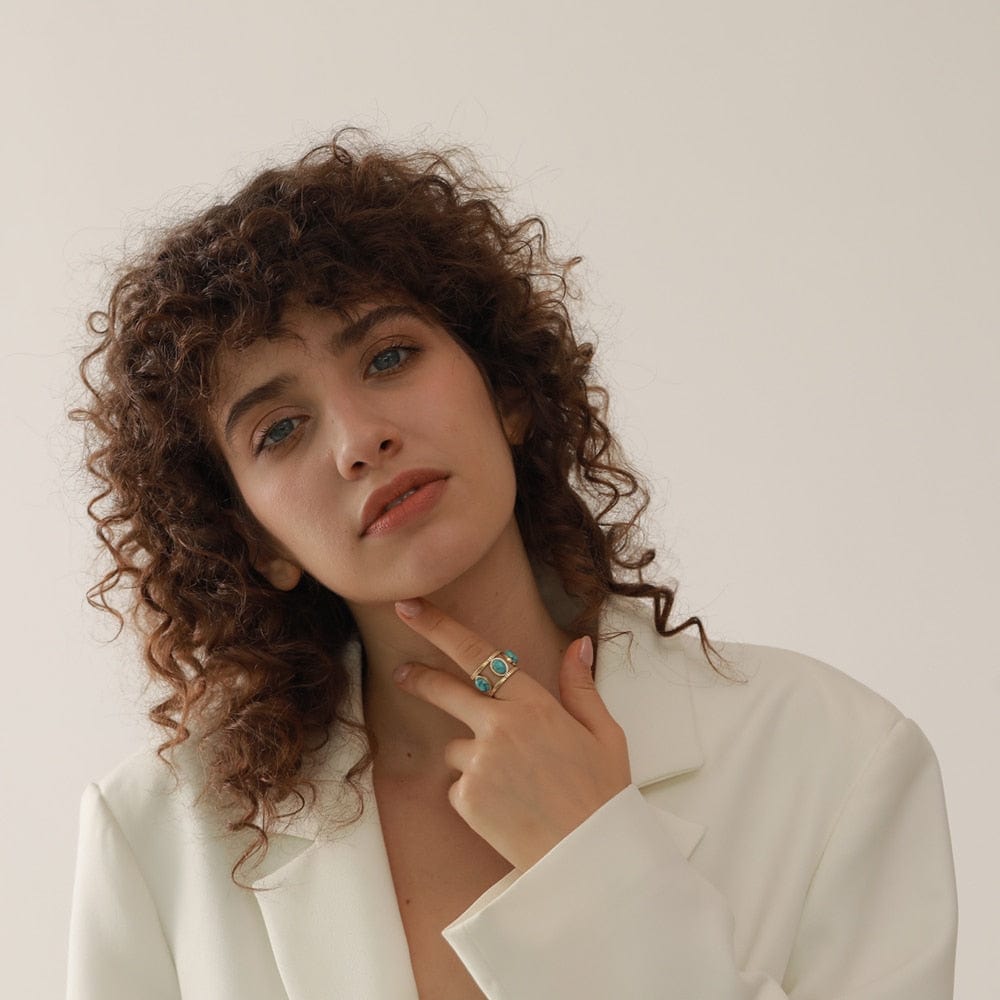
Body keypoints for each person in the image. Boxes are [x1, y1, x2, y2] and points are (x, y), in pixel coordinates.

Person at [67, 132, 957, 1000]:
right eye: (280, 430)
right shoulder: (159, 837)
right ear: (255, 540)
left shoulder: (834, 757)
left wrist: (596, 864)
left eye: (389, 357)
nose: (359, 439)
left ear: (509, 393)